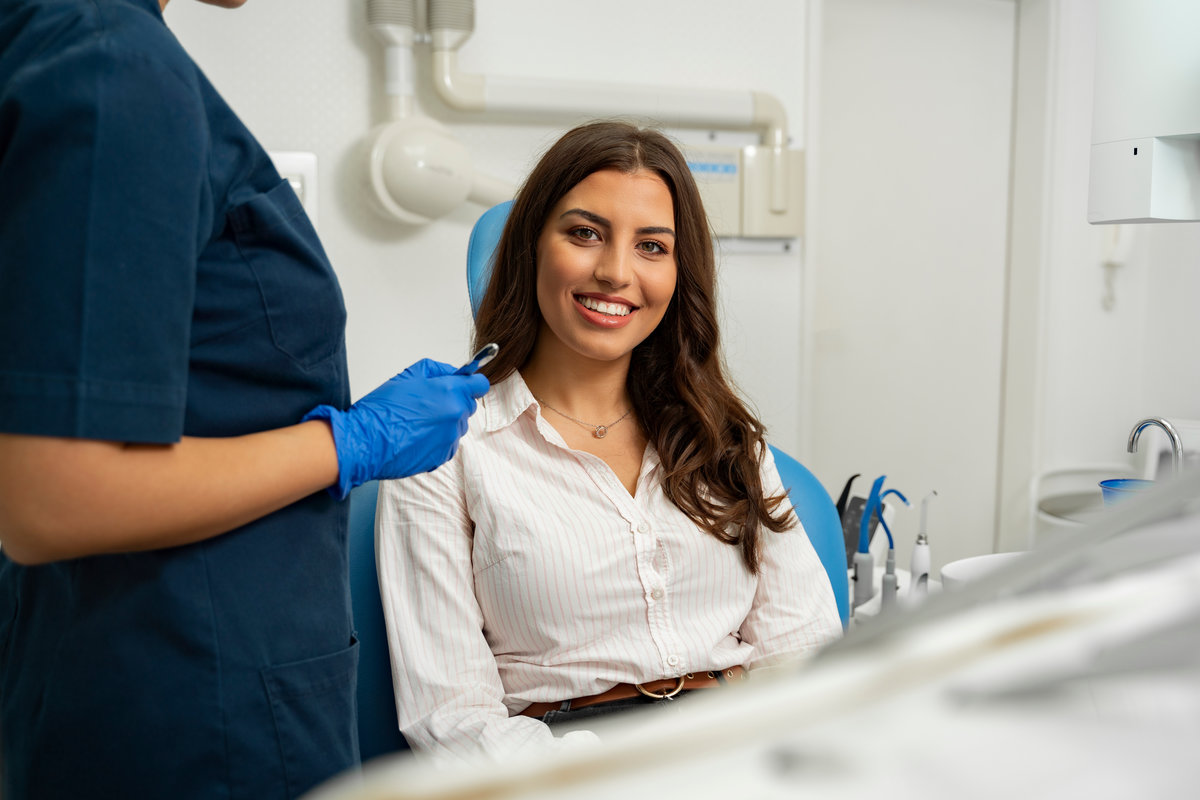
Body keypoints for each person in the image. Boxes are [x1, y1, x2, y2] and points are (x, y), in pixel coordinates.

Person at [0, 1, 489, 797]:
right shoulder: (111, 67)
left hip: (135, 676)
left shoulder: (62, 44)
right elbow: (53, 495)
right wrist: (350, 442)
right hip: (193, 708)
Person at [375, 120, 842, 764]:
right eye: (586, 233)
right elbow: (452, 718)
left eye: (652, 246)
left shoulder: (725, 436)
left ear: (680, 272)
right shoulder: (440, 450)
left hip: (744, 757)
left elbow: (803, 652)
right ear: (531, 246)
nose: (616, 271)